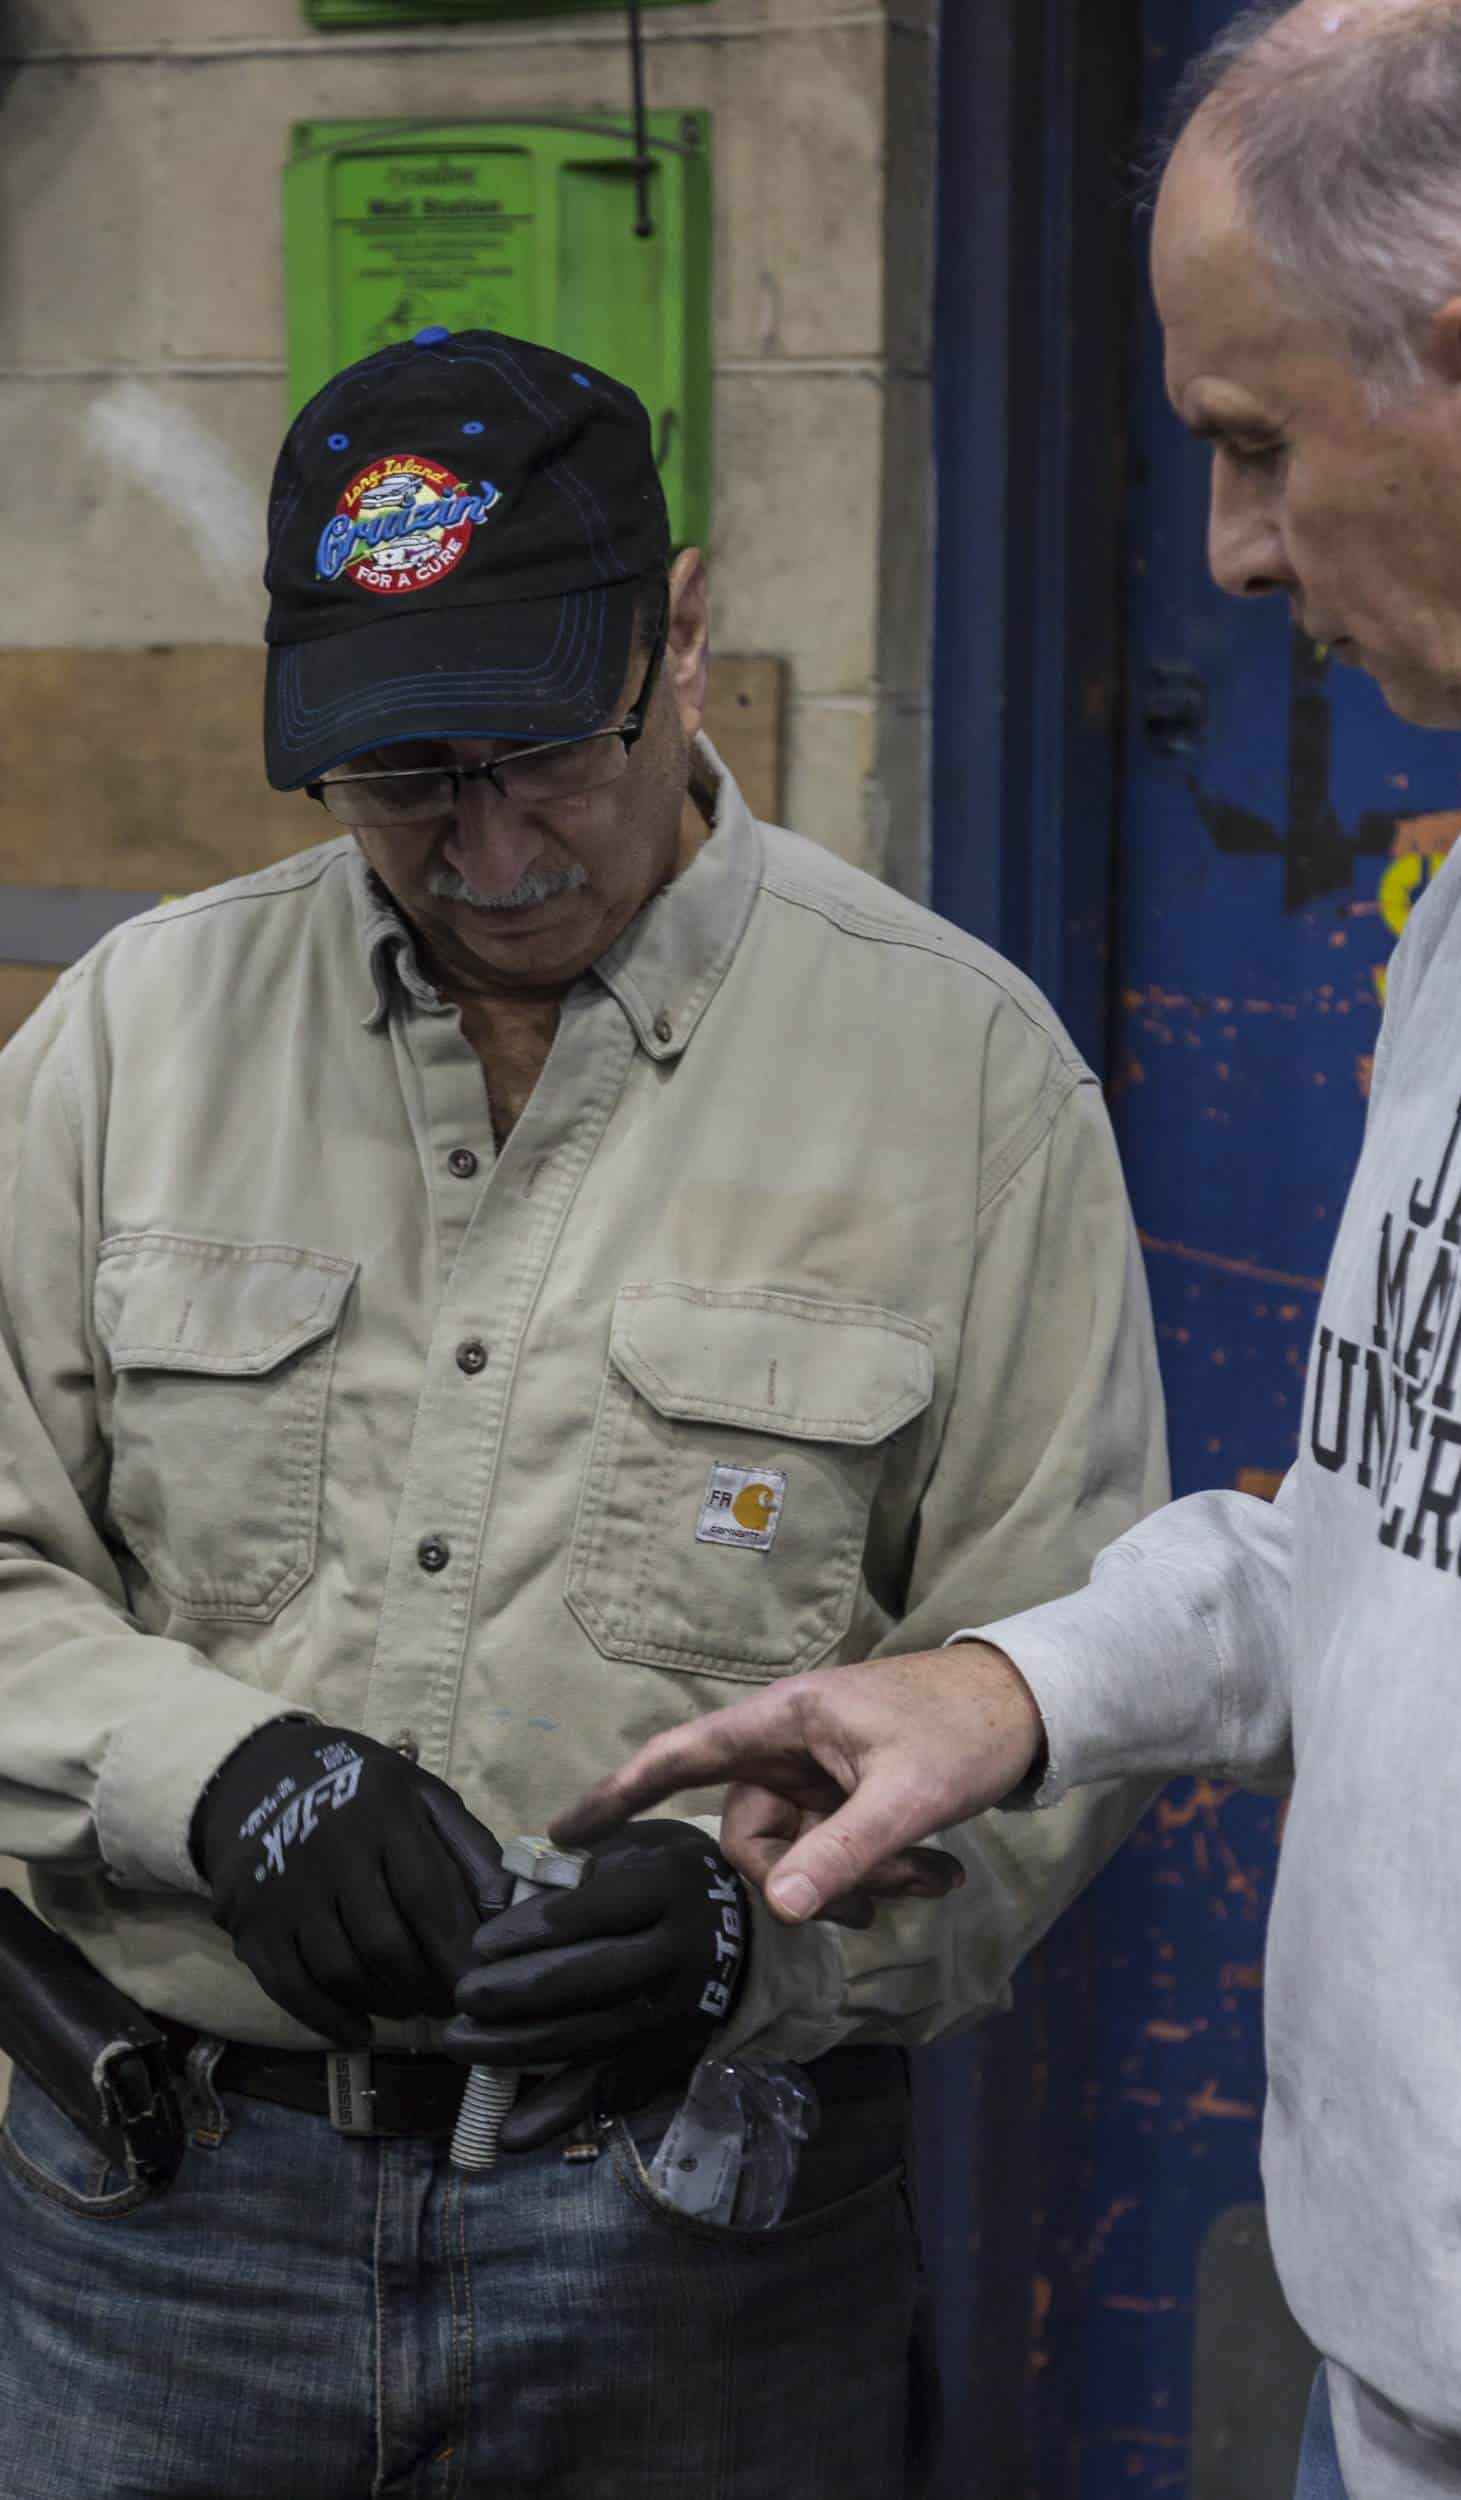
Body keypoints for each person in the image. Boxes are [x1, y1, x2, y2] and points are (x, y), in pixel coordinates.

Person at [555, 5, 1461, 2496]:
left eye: (1255, 444)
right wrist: (1006, 1685)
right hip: (1404, 2400)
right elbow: (1403, 1546)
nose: (1234, 550)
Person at [0, 327, 1168, 2499]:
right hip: (162, 2233)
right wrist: (215, 1773)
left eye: (543, 751)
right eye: (398, 778)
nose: (486, 846)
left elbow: (1062, 1683)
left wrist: (748, 1930)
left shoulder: (966, 1083)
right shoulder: (132, 1041)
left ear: (682, 633)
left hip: (694, 2247)